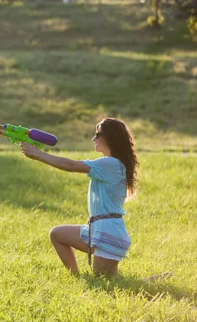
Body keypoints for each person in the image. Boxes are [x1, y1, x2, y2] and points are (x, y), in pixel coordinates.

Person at [21, 118, 139, 277]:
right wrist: (37, 154)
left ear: (110, 138)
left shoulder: (110, 164)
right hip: (98, 229)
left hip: (108, 232)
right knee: (57, 234)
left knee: (105, 284)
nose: (94, 139)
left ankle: (154, 282)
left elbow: (70, 166)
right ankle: (77, 279)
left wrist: (38, 154)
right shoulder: (111, 164)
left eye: (98, 134)